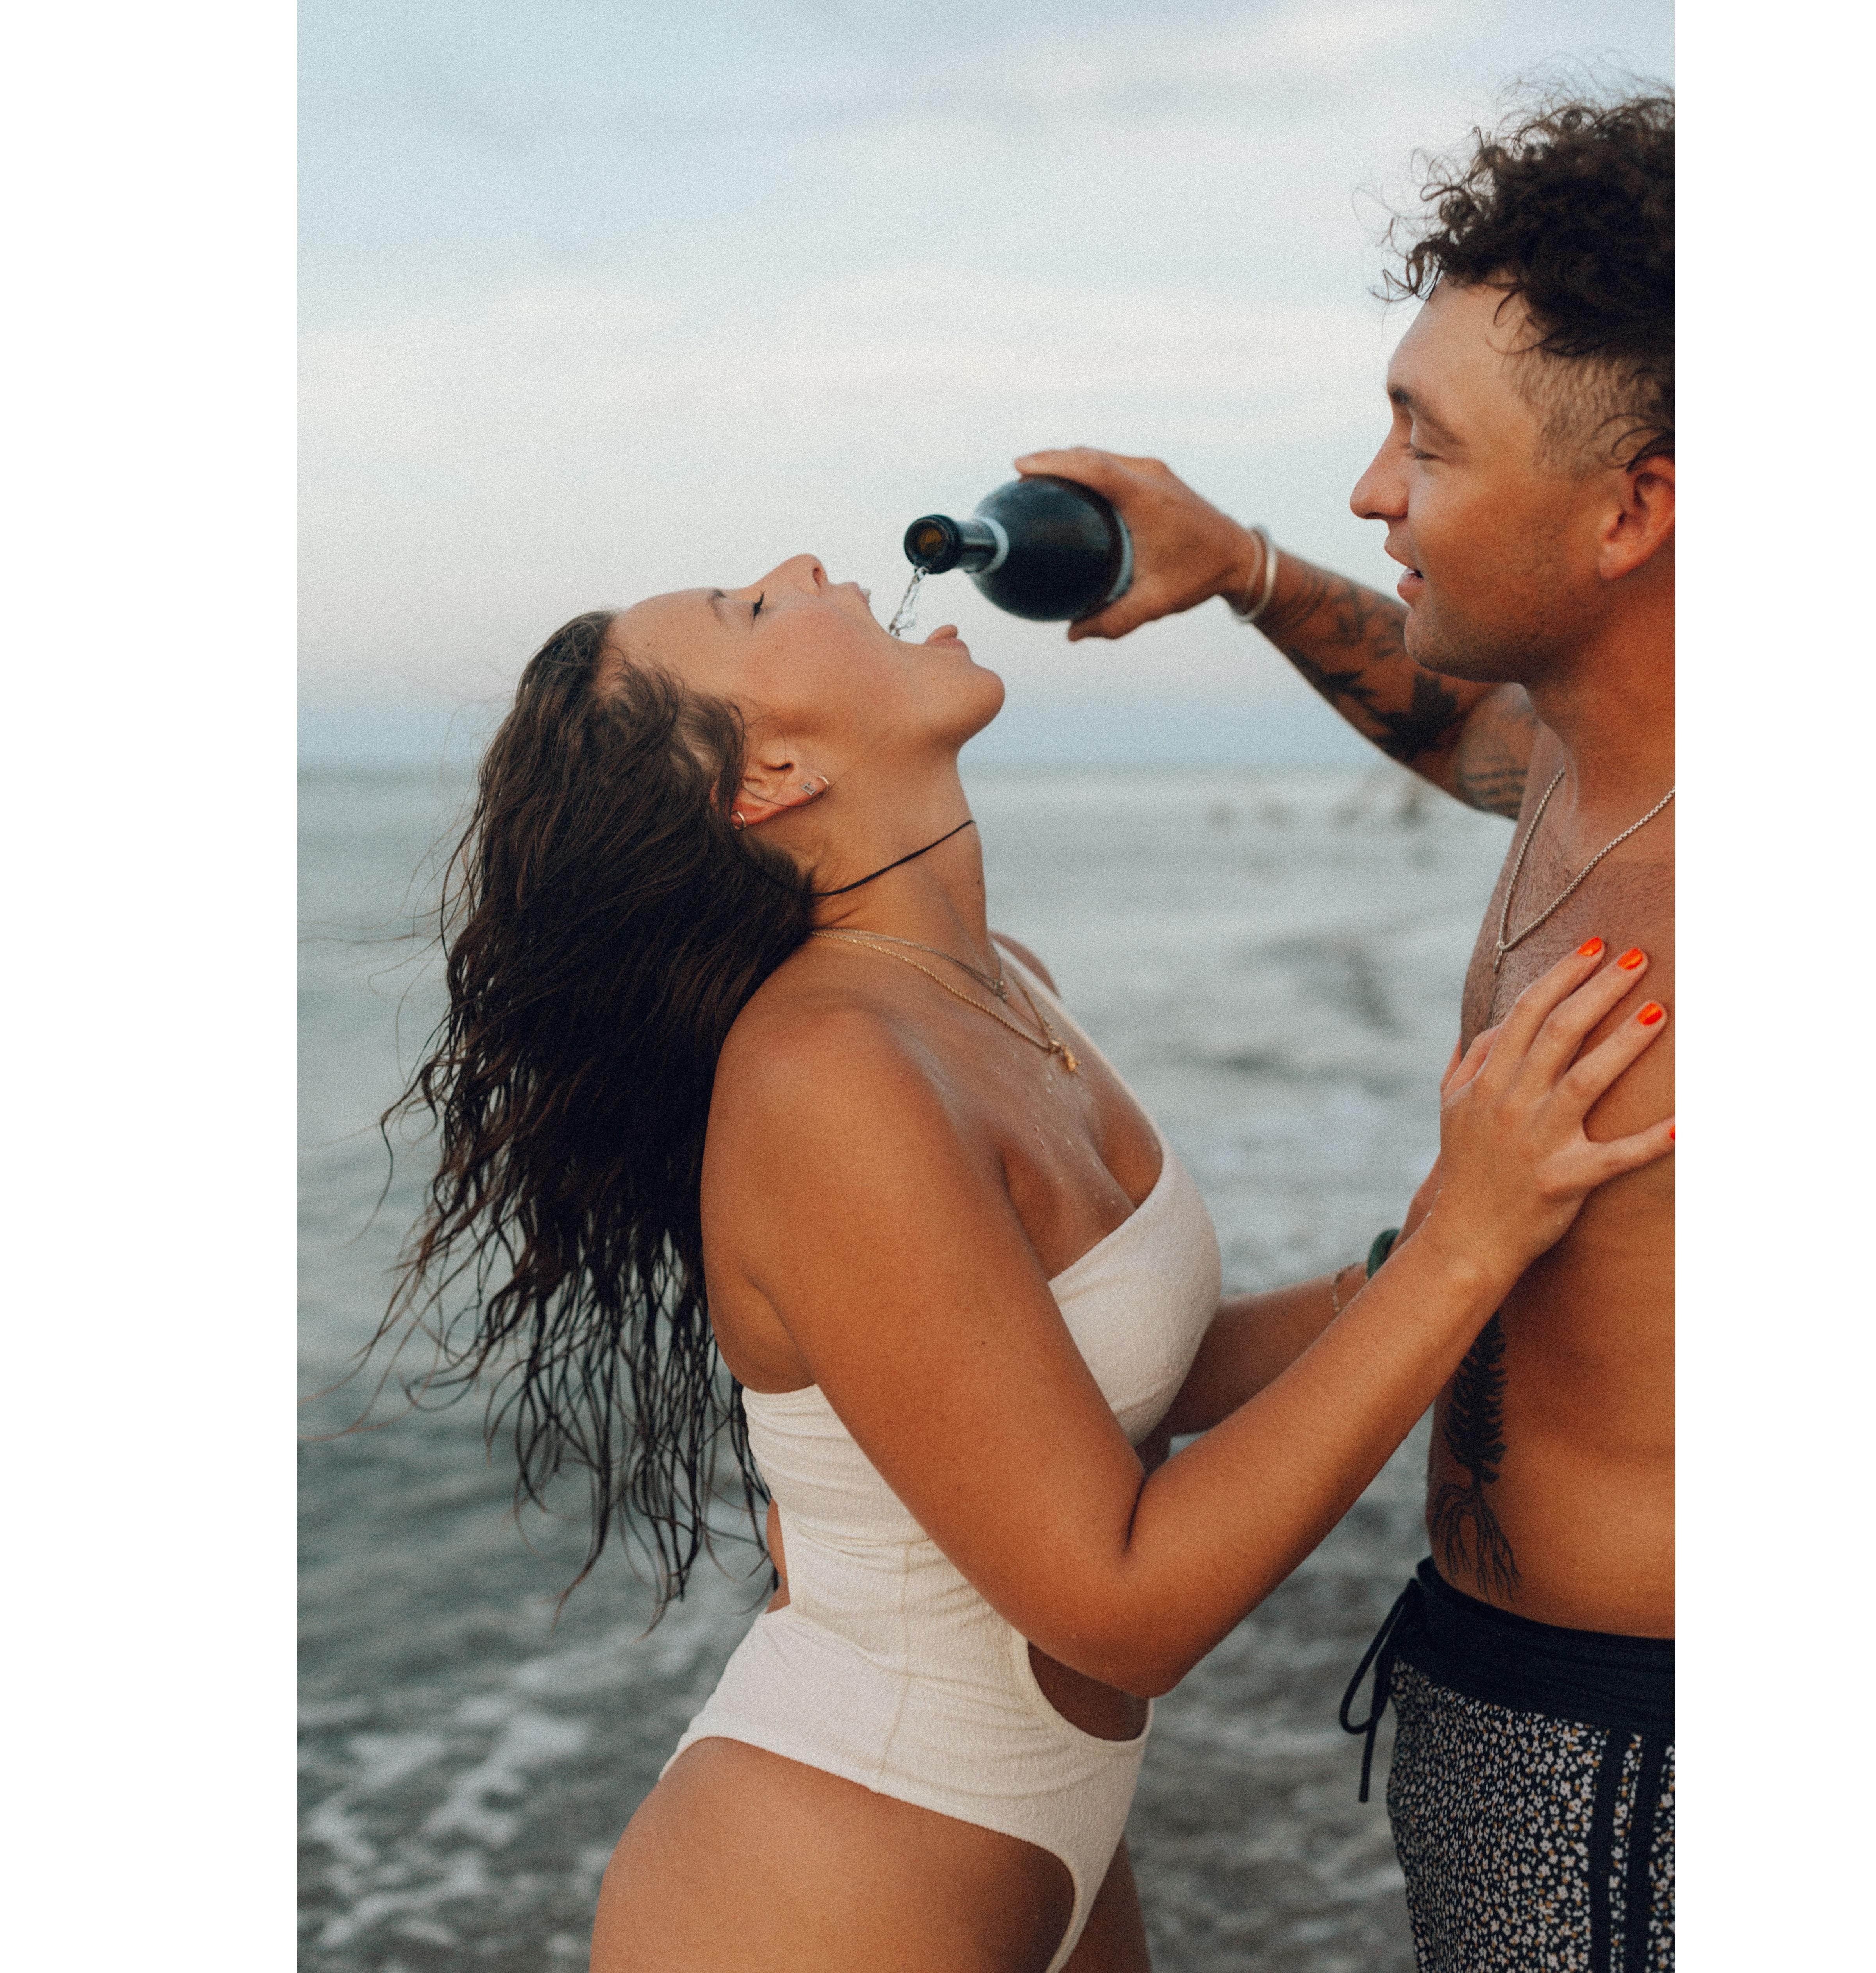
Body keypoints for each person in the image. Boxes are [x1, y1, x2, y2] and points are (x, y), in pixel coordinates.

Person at [383, 546, 1674, 1973]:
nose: (803, 567)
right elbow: (1128, 1612)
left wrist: (1440, 1249)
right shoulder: (828, 1074)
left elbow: (1145, 1374)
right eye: (750, 610)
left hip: (1042, 1849)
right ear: (773, 777)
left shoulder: (999, 985)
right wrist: (1465, 1254)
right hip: (828, 1886)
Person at [1017, 90, 1675, 1973]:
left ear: (1632, 508)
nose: (1373, 492)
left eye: (1425, 441)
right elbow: (1458, 731)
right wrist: (1237, 567)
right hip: (1492, 1690)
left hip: (1645, 1770)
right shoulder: (1583, 762)